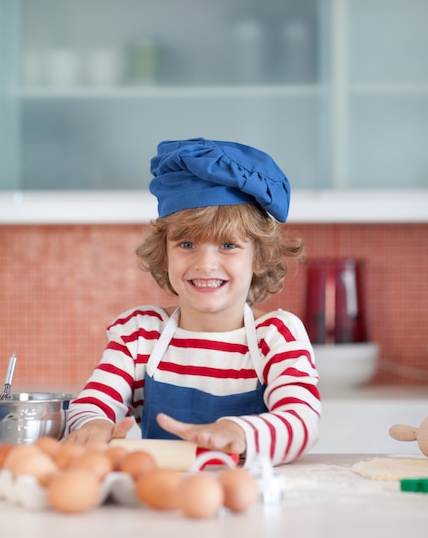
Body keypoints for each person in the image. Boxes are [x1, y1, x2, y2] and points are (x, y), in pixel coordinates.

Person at [65, 138, 321, 467]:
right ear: (165, 253)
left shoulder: (275, 337)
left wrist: (239, 431)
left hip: (251, 506)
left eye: (228, 245)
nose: (205, 264)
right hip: (161, 501)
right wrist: (94, 424)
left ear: (259, 257)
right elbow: (92, 403)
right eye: (187, 243)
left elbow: (302, 421)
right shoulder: (140, 335)